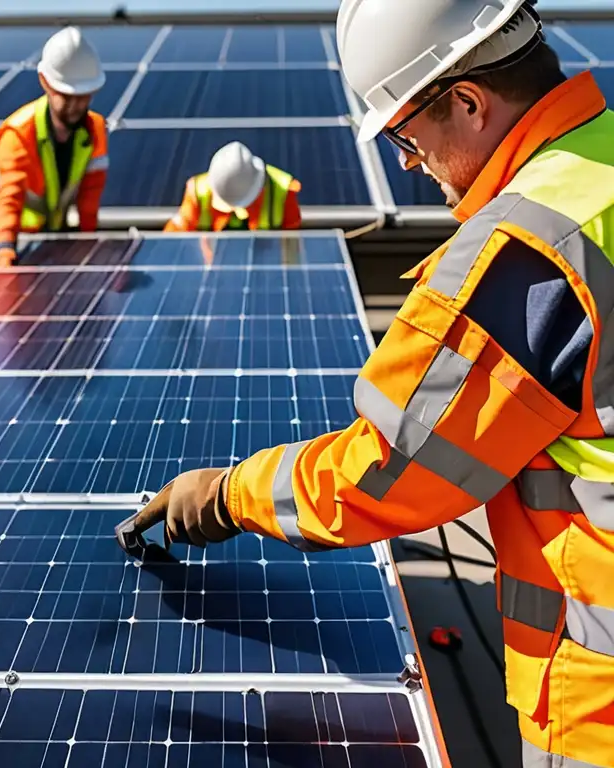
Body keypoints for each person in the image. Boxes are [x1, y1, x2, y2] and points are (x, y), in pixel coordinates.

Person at [132, 1, 614, 765]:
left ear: (467, 101)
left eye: (403, 132)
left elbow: (393, 470)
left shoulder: (525, 251)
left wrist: (230, 493)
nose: (404, 161)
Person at [0, 26, 110, 268]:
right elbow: (8, 196)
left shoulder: (95, 129)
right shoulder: (19, 132)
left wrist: (87, 241)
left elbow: (90, 193)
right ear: (46, 84)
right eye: (67, 96)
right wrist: (3, 249)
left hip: (42, 231)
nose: (76, 105)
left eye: (83, 96)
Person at [164, 141, 301, 232]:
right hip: (212, 270)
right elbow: (175, 234)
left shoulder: (283, 190)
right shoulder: (198, 192)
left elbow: (292, 249)